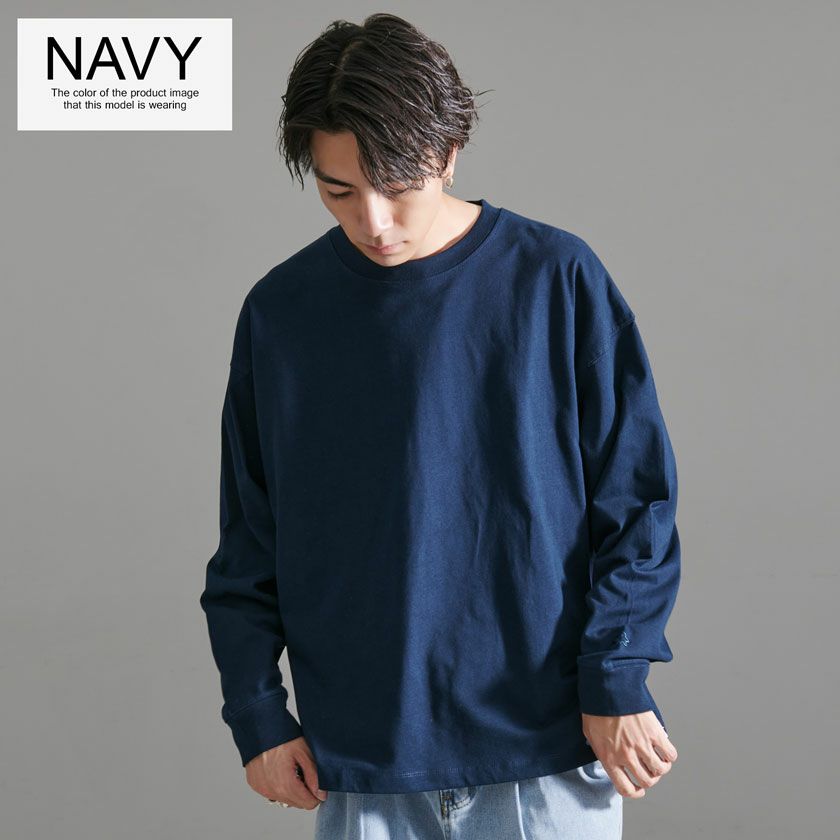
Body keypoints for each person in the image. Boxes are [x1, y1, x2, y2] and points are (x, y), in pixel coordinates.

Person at [199, 12, 680, 839]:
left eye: (398, 185)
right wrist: (257, 713)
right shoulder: (283, 312)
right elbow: (250, 534)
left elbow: (636, 501)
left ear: (450, 152)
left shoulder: (555, 279)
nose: (373, 221)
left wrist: (618, 672)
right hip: (361, 762)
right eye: (339, 191)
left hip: (545, 749)